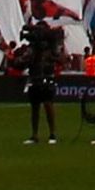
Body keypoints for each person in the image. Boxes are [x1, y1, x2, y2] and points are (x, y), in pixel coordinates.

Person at [19, 17, 63, 145]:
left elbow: (58, 58)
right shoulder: (34, 47)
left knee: (48, 105)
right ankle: (34, 135)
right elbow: (27, 60)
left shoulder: (51, 46)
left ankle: (52, 133)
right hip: (35, 76)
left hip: (47, 76)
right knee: (35, 107)